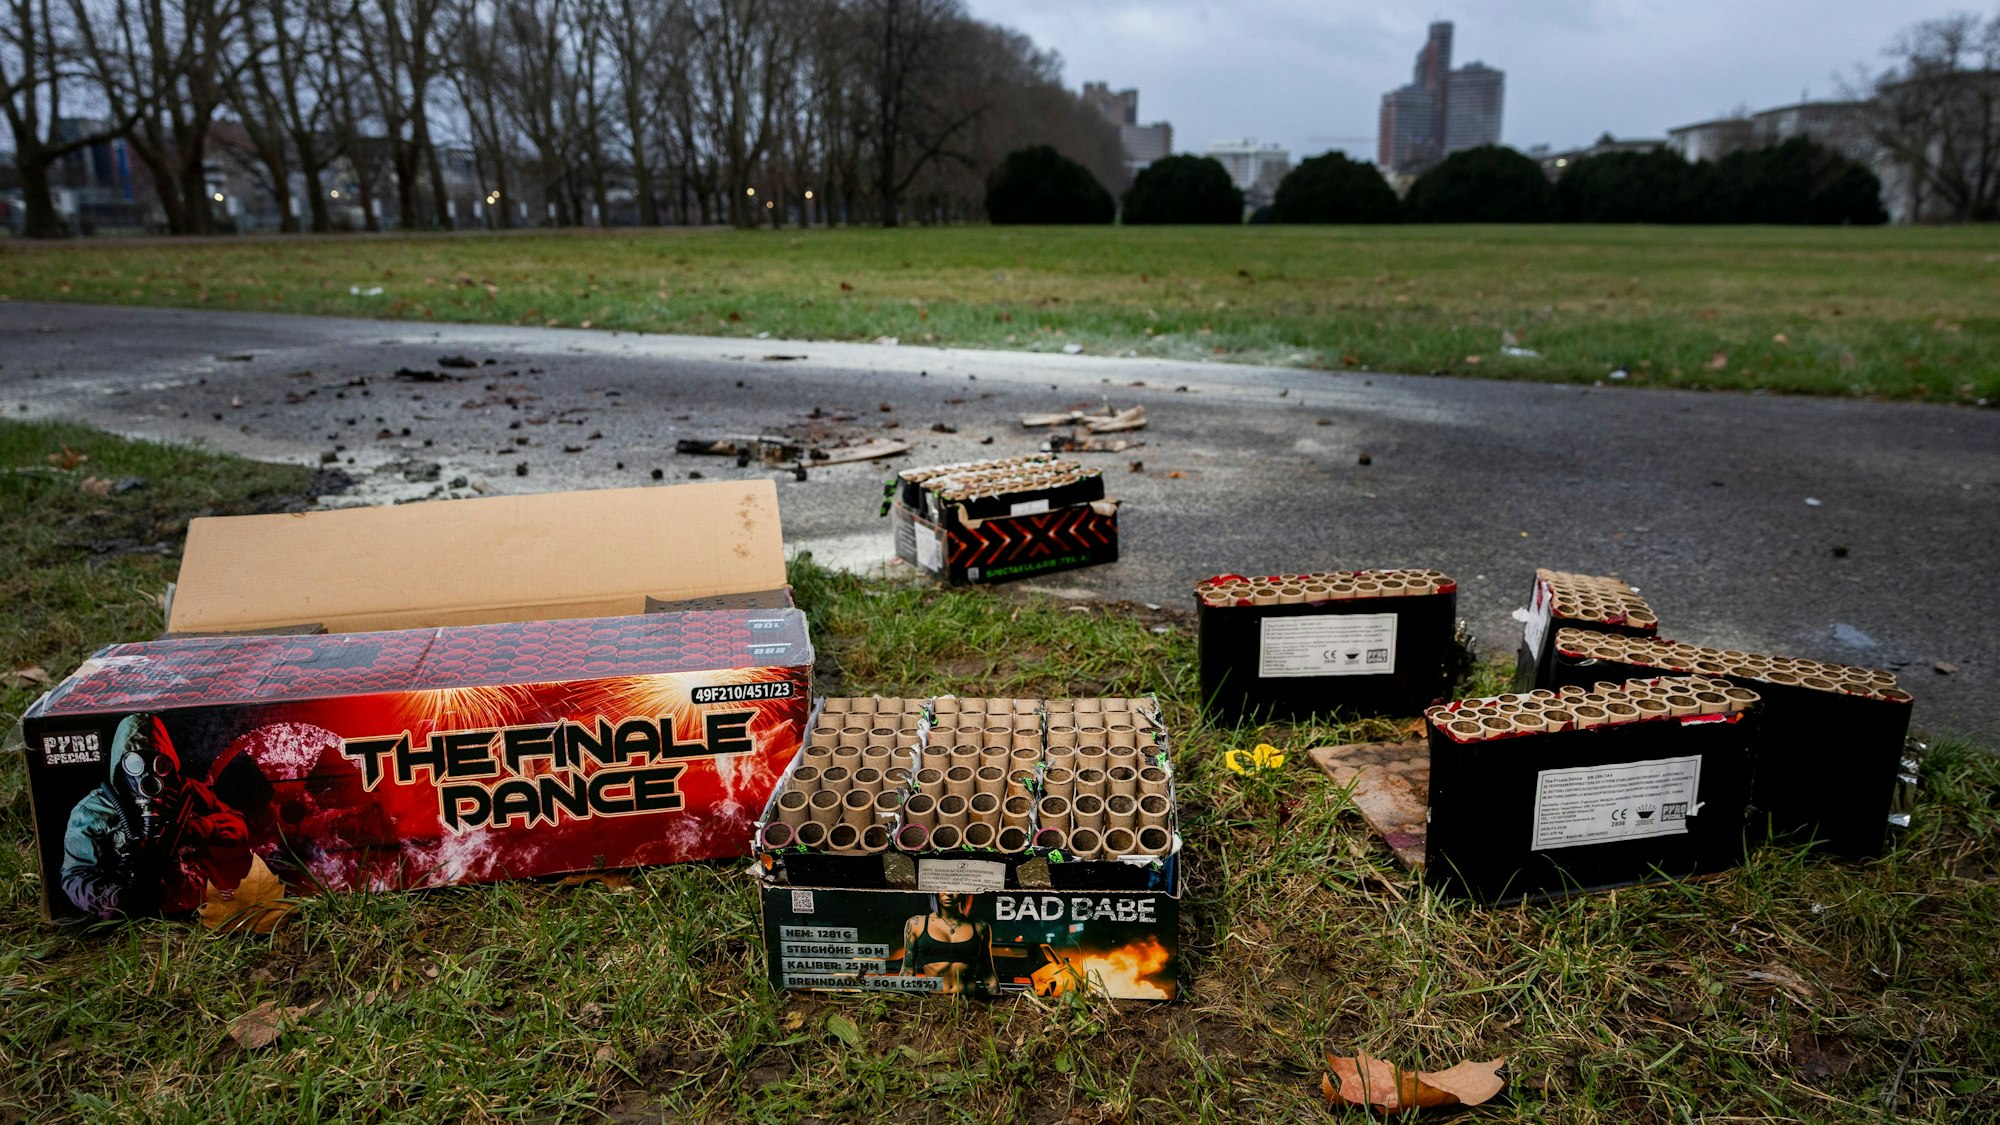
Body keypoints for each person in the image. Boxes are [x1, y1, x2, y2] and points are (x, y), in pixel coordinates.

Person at [60, 713, 251, 919]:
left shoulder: (189, 793)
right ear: (120, 764)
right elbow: (75, 875)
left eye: (159, 764)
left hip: (196, 906)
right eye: (135, 764)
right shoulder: (94, 810)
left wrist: (205, 827)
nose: (147, 774)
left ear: (170, 762)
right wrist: (114, 897)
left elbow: (239, 826)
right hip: (135, 918)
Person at [898, 893, 996, 995]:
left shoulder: (980, 927)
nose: (949, 893)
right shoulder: (916, 924)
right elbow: (908, 970)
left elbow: (988, 975)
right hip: (934, 999)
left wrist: (997, 1001)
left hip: (971, 999)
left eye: (954, 889)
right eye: (943, 887)